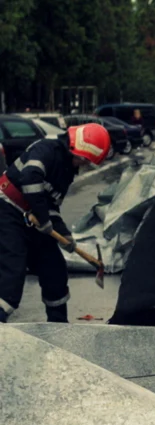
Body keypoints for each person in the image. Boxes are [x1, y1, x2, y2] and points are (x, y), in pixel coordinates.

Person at [0, 123, 111, 323]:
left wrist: (64, 234)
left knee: (54, 268)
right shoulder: (46, 149)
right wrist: (43, 219)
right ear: (74, 148)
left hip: (30, 217)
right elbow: (29, 179)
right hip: (6, 209)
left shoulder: (66, 171)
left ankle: (59, 326)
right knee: (12, 271)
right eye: (84, 160)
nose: (83, 165)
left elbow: (51, 205)